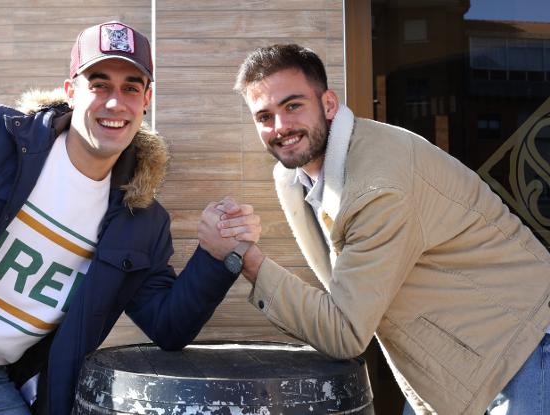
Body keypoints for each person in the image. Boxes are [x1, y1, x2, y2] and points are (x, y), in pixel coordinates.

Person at [0, 21, 259, 415]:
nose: (115, 103)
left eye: (131, 88)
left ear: (146, 99)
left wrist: (216, 257)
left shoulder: (142, 223)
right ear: (72, 91)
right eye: (99, 84)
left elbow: (169, 326)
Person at [227, 43, 550, 414]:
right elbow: (343, 291)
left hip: (525, 353)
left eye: (293, 106)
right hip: (453, 372)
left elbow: (346, 330)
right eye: (264, 116)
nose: (280, 127)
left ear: (328, 105)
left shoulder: (377, 187)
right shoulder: (294, 179)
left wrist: (249, 262)